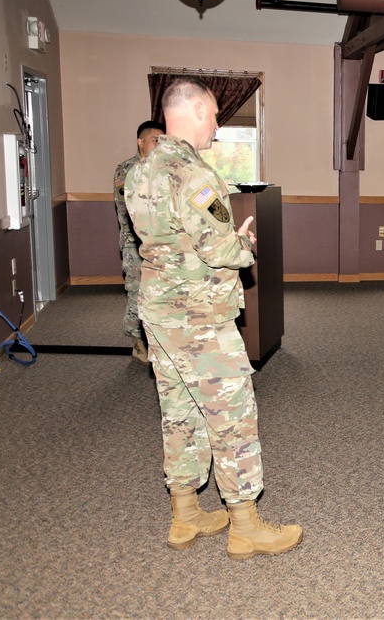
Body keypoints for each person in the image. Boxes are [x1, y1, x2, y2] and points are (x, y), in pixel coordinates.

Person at [125, 76, 301, 559]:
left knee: (178, 412)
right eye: (217, 115)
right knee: (232, 417)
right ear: (199, 111)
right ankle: (246, 526)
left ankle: (185, 515)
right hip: (199, 318)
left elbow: (160, 238)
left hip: (158, 311)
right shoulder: (195, 175)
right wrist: (243, 244)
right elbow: (220, 249)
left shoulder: (139, 172)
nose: (218, 127)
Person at [114, 119, 164, 363]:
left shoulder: (163, 169)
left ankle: (156, 338)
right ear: (140, 141)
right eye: (156, 139)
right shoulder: (127, 170)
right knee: (137, 292)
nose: (159, 144)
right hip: (135, 244)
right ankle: (137, 341)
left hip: (160, 243)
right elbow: (134, 204)